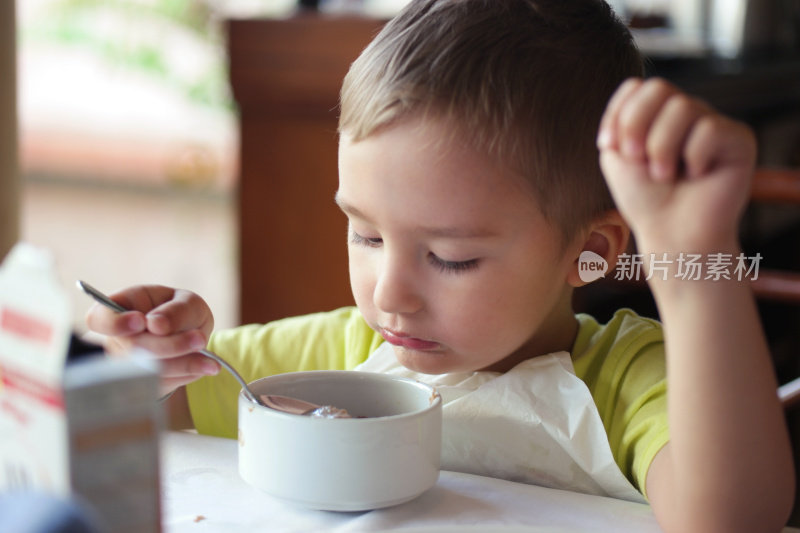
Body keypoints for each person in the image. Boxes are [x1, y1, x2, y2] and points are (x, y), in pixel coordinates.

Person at [86, 0, 794, 530]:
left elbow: (733, 517)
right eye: (363, 235)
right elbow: (156, 411)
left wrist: (694, 270)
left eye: (450, 258)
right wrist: (144, 359)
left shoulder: (624, 383)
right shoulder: (343, 355)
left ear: (593, 251)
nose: (389, 295)